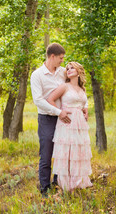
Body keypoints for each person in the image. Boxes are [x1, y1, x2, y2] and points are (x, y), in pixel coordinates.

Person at [30, 43, 72, 196]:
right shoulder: (37, 75)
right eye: (60, 58)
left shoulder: (63, 73)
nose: (62, 61)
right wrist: (58, 111)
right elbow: (38, 100)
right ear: (52, 57)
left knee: (61, 153)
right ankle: (45, 189)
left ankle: (58, 183)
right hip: (47, 119)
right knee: (46, 154)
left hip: (63, 119)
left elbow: (75, 86)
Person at [47, 62, 92, 191]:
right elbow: (50, 99)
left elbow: (83, 102)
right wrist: (60, 112)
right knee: (67, 152)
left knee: (79, 151)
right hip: (67, 122)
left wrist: (86, 109)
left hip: (80, 124)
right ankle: (66, 184)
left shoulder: (82, 89)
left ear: (79, 71)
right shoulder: (64, 87)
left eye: (72, 67)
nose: (69, 70)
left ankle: (79, 181)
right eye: (67, 68)